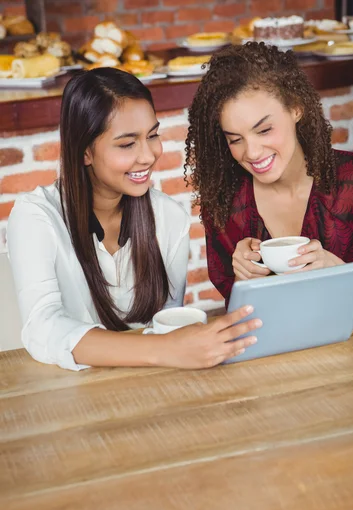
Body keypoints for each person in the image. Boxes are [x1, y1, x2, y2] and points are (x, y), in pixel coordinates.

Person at [8, 68, 261, 371]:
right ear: (85, 151)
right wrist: (164, 349)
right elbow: (43, 327)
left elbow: (165, 323)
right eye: (127, 144)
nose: (148, 155)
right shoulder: (36, 217)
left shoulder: (169, 218)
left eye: (152, 136)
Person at [185, 42, 353, 303]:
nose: (251, 152)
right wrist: (242, 279)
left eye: (264, 130)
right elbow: (235, 301)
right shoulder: (224, 202)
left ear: (296, 109)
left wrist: (341, 273)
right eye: (235, 139)